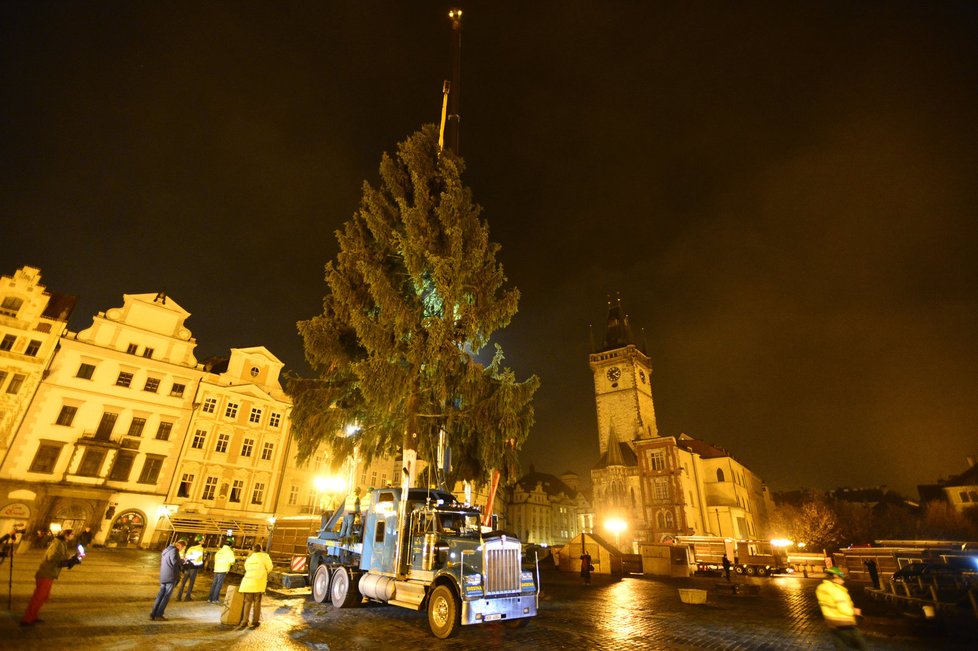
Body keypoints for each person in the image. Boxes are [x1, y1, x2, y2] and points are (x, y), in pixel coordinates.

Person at [21, 528, 81, 626]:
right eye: (72, 534)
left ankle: (33, 615)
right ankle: (27, 619)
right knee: (39, 597)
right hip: (46, 573)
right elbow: (51, 557)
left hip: (50, 573)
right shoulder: (58, 543)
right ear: (66, 535)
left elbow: (62, 555)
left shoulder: (62, 543)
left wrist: (72, 558)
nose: (73, 536)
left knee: (44, 596)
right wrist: (66, 561)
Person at [816, 566, 869, 650]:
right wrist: (854, 611)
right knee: (862, 647)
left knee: (841, 648)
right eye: (841, 578)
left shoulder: (821, 588)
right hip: (845, 623)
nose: (843, 581)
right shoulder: (837, 590)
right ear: (835, 577)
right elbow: (843, 608)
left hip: (832, 624)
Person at [238, 542, 273, 628]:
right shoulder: (265, 557)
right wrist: (264, 573)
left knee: (247, 602)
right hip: (258, 582)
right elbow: (270, 567)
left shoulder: (250, 558)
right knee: (257, 602)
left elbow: (246, 568)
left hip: (248, 582)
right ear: (261, 549)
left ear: (253, 550)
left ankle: (244, 621)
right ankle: (255, 621)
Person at [150, 538, 186, 621]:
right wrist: (183, 561)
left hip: (164, 576)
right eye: (183, 548)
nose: (182, 550)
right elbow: (175, 562)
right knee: (166, 596)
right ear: (180, 546)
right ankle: (159, 615)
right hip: (171, 577)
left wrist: (180, 560)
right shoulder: (174, 551)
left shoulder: (167, 550)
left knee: (160, 595)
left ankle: (153, 613)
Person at [177, 535, 205, 600]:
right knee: (191, 583)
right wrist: (201, 566)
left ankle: (178, 596)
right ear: (199, 541)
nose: (203, 541)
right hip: (194, 568)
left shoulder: (191, 548)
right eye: (202, 540)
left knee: (183, 582)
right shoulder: (200, 549)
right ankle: (187, 597)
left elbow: (186, 557)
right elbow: (199, 560)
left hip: (187, 567)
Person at [208, 538, 237, 603]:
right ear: (231, 544)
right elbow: (232, 561)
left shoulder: (220, 551)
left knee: (214, 584)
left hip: (217, 568)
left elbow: (215, 558)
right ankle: (215, 599)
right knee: (219, 584)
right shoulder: (230, 552)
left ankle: (210, 598)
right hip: (223, 569)